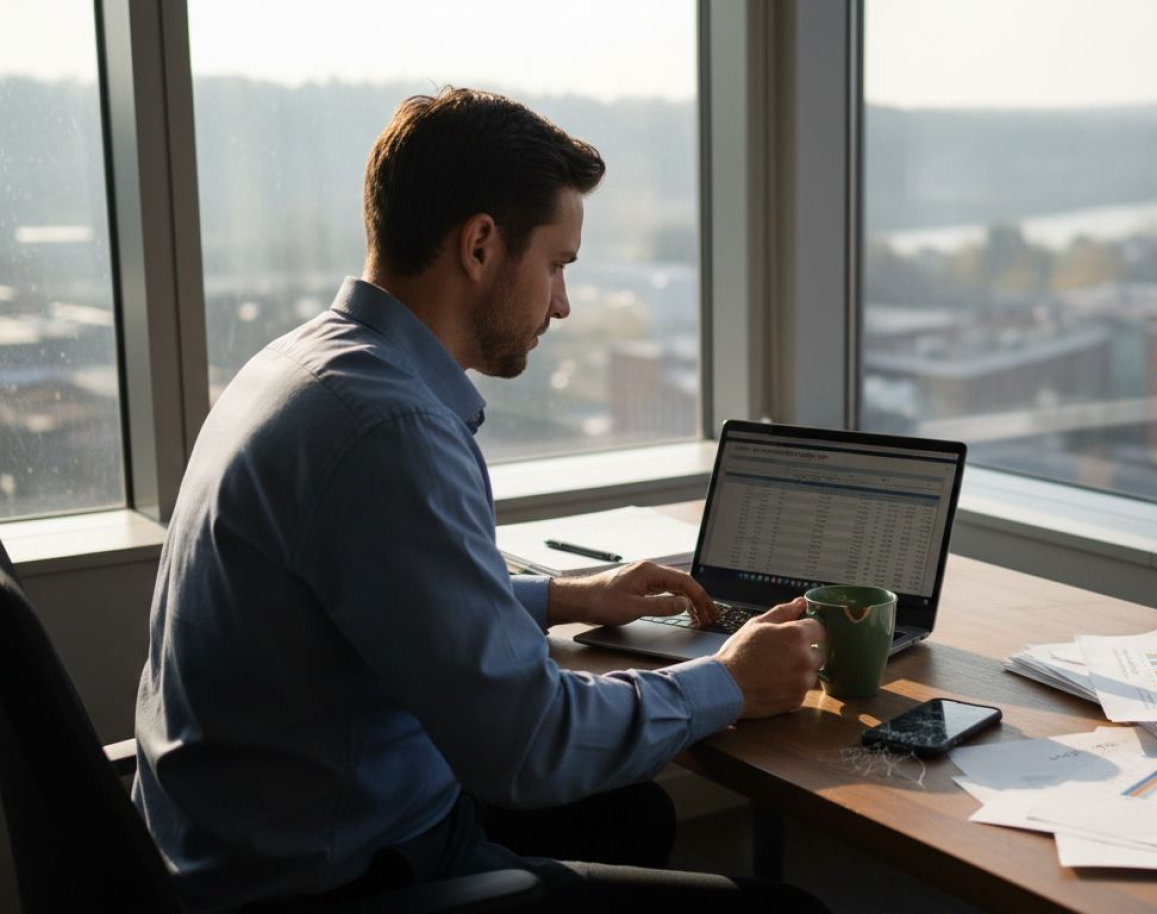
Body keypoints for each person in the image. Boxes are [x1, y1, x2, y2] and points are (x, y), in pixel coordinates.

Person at [133, 87, 828, 913]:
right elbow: (530, 747)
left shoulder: (303, 365)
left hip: (235, 837)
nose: (562, 304)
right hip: (332, 879)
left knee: (629, 815)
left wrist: (564, 597)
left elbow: (373, 595)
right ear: (480, 246)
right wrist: (729, 682)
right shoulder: (387, 429)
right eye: (559, 264)